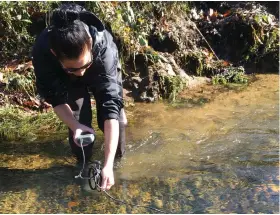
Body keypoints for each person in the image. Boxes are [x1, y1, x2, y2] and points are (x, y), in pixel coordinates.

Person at [32, 3, 127, 191]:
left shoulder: (103, 49)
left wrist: (107, 166)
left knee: (116, 118)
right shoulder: (43, 53)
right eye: (74, 68)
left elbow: (110, 106)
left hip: (99, 64)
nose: (81, 74)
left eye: (84, 66)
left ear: (90, 43)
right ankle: (83, 166)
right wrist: (75, 126)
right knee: (78, 118)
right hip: (64, 77)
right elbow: (55, 98)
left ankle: (115, 165)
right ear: (54, 55)